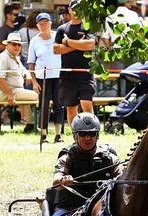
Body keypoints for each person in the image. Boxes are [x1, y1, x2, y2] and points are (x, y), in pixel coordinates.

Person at [49, 113, 123, 216]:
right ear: (75, 136)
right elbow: (56, 181)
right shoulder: (67, 156)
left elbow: (123, 176)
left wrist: (119, 180)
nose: (87, 138)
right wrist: (63, 180)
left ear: (97, 136)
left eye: (91, 134)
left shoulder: (109, 158)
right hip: (70, 209)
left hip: (103, 209)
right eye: (82, 134)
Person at [54, 0, 97, 128]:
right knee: (71, 109)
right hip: (67, 75)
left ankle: (92, 132)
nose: (76, 11)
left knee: (86, 105)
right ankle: (75, 135)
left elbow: (90, 44)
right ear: (70, 9)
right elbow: (56, 49)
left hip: (85, 73)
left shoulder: (88, 26)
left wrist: (67, 42)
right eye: (74, 8)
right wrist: (77, 44)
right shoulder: (62, 28)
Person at [28, 13, 65, 144]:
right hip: (42, 77)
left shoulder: (58, 36)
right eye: (41, 23)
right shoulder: (34, 41)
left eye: (46, 22)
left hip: (59, 75)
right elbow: (31, 63)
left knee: (59, 104)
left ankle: (58, 134)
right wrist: (33, 82)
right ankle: (43, 134)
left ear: (50, 23)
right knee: (43, 105)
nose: (43, 25)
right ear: (37, 25)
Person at [0, 32, 39, 134]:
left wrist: (28, 75)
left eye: (19, 45)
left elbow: (24, 71)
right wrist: (9, 94)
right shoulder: (3, 57)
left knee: (28, 95)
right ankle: (36, 125)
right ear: (7, 45)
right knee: (38, 96)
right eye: (14, 44)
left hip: (16, 91)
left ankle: (30, 124)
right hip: (4, 92)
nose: (17, 47)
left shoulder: (15, 58)